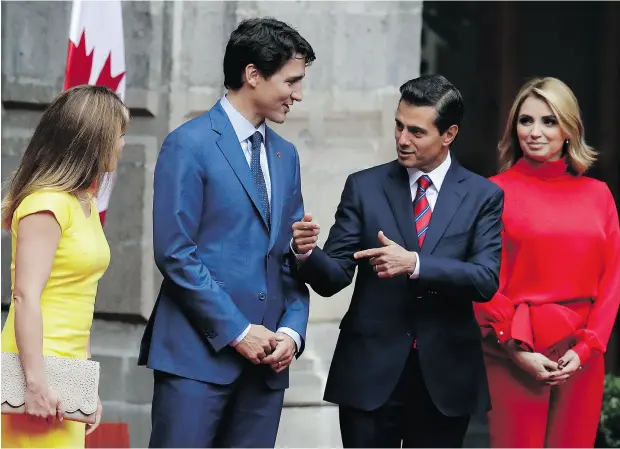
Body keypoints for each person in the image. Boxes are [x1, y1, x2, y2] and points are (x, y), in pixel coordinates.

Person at [291, 74, 503, 448]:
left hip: (445, 377)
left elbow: (485, 279)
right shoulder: (364, 186)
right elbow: (334, 276)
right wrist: (307, 253)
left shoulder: (483, 195)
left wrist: (416, 264)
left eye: (417, 132)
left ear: (449, 134)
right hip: (369, 372)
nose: (402, 139)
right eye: (398, 125)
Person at [138, 17, 315, 448]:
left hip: (267, 368)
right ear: (252, 74)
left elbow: (289, 255)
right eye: (291, 81)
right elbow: (176, 253)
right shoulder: (189, 143)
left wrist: (292, 333)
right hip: (195, 360)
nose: (298, 94)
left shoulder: (285, 155)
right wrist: (238, 331)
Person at [473, 77, 620, 448]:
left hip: (581, 355)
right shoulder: (493, 192)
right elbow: (481, 278)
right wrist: (514, 349)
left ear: (569, 129)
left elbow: (612, 280)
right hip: (516, 351)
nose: (534, 132)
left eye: (548, 121)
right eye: (525, 121)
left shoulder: (598, 195)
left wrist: (586, 349)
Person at [1, 85, 129, 448]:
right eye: (118, 135)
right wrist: (36, 384)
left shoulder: (83, 202)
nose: (122, 145)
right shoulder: (47, 205)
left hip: (66, 372)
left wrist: (85, 385)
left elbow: (79, 298)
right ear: (95, 139)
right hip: (35, 371)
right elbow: (25, 296)